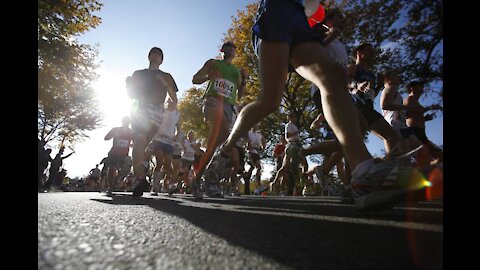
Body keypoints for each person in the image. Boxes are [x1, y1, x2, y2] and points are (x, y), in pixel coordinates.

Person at [204, 0, 426, 211]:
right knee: (270, 101)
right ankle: (225, 151)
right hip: (277, 9)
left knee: (332, 76)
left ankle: (363, 173)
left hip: (299, 16)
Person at [191, 41, 248, 198]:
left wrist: (244, 80)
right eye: (227, 46)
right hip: (213, 101)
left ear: (235, 52)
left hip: (228, 107)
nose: (230, 49)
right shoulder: (213, 63)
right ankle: (210, 180)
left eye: (233, 47)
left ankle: (198, 179)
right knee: (222, 133)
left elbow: (240, 95)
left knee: (214, 145)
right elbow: (195, 79)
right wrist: (209, 77)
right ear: (222, 50)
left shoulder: (237, 71)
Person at [125, 47, 179, 197]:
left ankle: (140, 169)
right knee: (140, 138)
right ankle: (137, 177)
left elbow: (174, 99)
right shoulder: (138, 74)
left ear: (162, 60)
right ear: (148, 56)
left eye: (159, 54)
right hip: (140, 109)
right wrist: (128, 84)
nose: (155, 55)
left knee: (146, 145)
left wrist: (164, 84)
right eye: (153, 53)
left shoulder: (166, 76)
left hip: (157, 112)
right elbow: (130, 95)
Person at [404, 80, 443, 167]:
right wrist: (430, 107)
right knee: (438, 155)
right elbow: (409, 113)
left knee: (432, 157)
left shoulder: (414, 100)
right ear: (412, 88)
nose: (422, 88)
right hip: (415, 132)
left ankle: (416, 168)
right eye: (419, 86)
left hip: (419, 132)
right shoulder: (410, 99)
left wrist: (425, 119)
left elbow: (412, 115)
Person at [150, 99, 180, 195]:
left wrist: (176, 136)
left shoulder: (177, 115)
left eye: (175, 102)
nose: (173, 104)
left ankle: (164, 183)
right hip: (158, 139)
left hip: (169, 142)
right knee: (159, 162)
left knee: (167, 165)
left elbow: (179, 129)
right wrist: (150, 139)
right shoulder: (162, 111)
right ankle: (154, 186)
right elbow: (154, 124)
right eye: (171, 101)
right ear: (168, 102)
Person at [103, 116, 134, 196]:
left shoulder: (131, 132)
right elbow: (106, 138)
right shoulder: (115, 129)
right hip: (114, 152)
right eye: (125, 121)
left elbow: (135, 142)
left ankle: (118, 182)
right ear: (122, 121)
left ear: (129, 123)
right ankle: (110, 187)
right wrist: (113, 135)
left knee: (124, 171)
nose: (126, 123)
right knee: (111, 168)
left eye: (128, 121)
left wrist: (132, 145)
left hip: (124, 155)